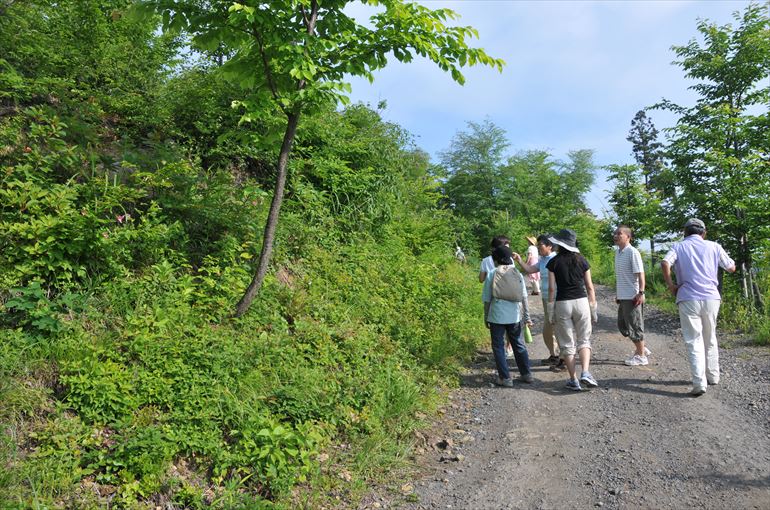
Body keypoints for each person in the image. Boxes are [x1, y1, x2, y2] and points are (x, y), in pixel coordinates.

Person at [661, 218, 736, 397]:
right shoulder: (714, 246)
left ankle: (699, 382)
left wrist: (672, 286)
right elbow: (731, 267)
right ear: (703, 232)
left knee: (693, 339)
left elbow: (665, 263)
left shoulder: (678, 247)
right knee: (710, 337)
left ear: (685, 232)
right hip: (711, 297)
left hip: (688, 298)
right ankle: (713, 376)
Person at [546, 229, 598, 391]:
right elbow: (589, 287)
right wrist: (593, 307)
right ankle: (586, 372)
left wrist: (550, 310)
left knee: (567, 344)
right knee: (584, 339)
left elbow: (552, 289)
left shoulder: (553, 262)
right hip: (581, 302)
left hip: (563, 303)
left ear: (560, 244)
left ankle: (573, 380)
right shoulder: (582, 260)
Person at [482, 245, 533, 386]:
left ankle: (505, 378)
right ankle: (527, 374)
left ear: (496, 259)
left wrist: (486, 316)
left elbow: (487, 299)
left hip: (496, 316)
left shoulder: (492, 273)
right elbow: (524, 297)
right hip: (515, 316)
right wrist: (527, 316)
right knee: (518, 344)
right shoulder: (517, 273)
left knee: (498, 346)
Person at [513, 234, 559, 366]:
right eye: (537, 245)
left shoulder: (556, 259)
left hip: (556, 298)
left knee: (556, 328)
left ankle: (561, 357)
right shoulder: (543, 260)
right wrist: (519, 260)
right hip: (546, 298)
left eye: (540, 245)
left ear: (549, 246)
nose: (538, 248)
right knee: (548, 329)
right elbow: (530, 269)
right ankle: (554, 355)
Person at [613, 226, 651, 366]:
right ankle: (642, 348)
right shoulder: (618, 253)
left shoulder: (632, 252)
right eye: (615, 233)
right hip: (623, 295)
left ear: (628, 237)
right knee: (623, 325)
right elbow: (620, 276)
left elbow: (640, 273)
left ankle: (641, 356)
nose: (616, 235)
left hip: (632, 296)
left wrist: (641, 292)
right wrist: (618, 293)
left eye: (619, 233)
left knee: (634, 326)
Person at [480, 235, 515, 359]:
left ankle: (499, 350)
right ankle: (508, 347)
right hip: (509, 295)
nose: (508, 247)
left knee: (497, 324)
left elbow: (481, 279)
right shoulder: (509, 259)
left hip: (494, 297)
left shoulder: (485, 260)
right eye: (507, 245)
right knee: (510, 323)